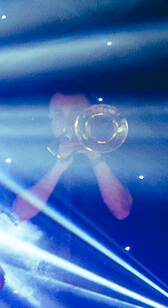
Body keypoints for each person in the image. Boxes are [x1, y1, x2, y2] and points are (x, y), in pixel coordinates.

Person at [11, 92, 133, 226]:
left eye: (77, 113)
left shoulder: (111, 152)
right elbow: (20, 213)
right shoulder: (33, 156)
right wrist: (58, 168)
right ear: (50, 119)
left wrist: (97, 159)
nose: (67, 123)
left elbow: (121, 211)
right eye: (58, 115)